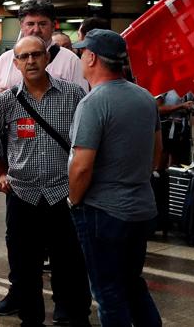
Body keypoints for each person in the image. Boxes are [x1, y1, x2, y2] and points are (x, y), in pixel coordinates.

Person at [0, 35, 91, 326]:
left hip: (64, 195)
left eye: (36, 54)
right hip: (23, 196)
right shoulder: (6, 101)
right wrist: (1, 172)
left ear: (47, 57)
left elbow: (87, 140)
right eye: (24, 57)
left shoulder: (73, 96)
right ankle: (31, 319)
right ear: (16, 63)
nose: (30, 61)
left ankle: (71, 314)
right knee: (24, 265)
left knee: (69, 262)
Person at [67, 29, 162, 327]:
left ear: (92, 57)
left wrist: (73, 200)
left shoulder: (93, 103)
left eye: (83, 53)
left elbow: (82, 166)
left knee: (108, 292)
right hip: (140, 207)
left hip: (102, 212)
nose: (81, 58)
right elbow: (158, 154)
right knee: (133, 283)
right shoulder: (145, 98)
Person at [0, 0, 88, 111]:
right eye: (30, 24)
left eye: (42, 24)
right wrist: (0, 101)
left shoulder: (71, 61)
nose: (36, 30)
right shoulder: (5, 60)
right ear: (21, 26)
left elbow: (83, 105)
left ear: (53, 25)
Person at [155, 90, 194, 168]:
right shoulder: (164, 87)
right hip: (166, 127)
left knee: (178, 162)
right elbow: (158, 109)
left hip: (183, 127)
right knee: (162, 160)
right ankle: (159, 175)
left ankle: (173, 175)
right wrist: (181, 106)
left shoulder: (189, 89)